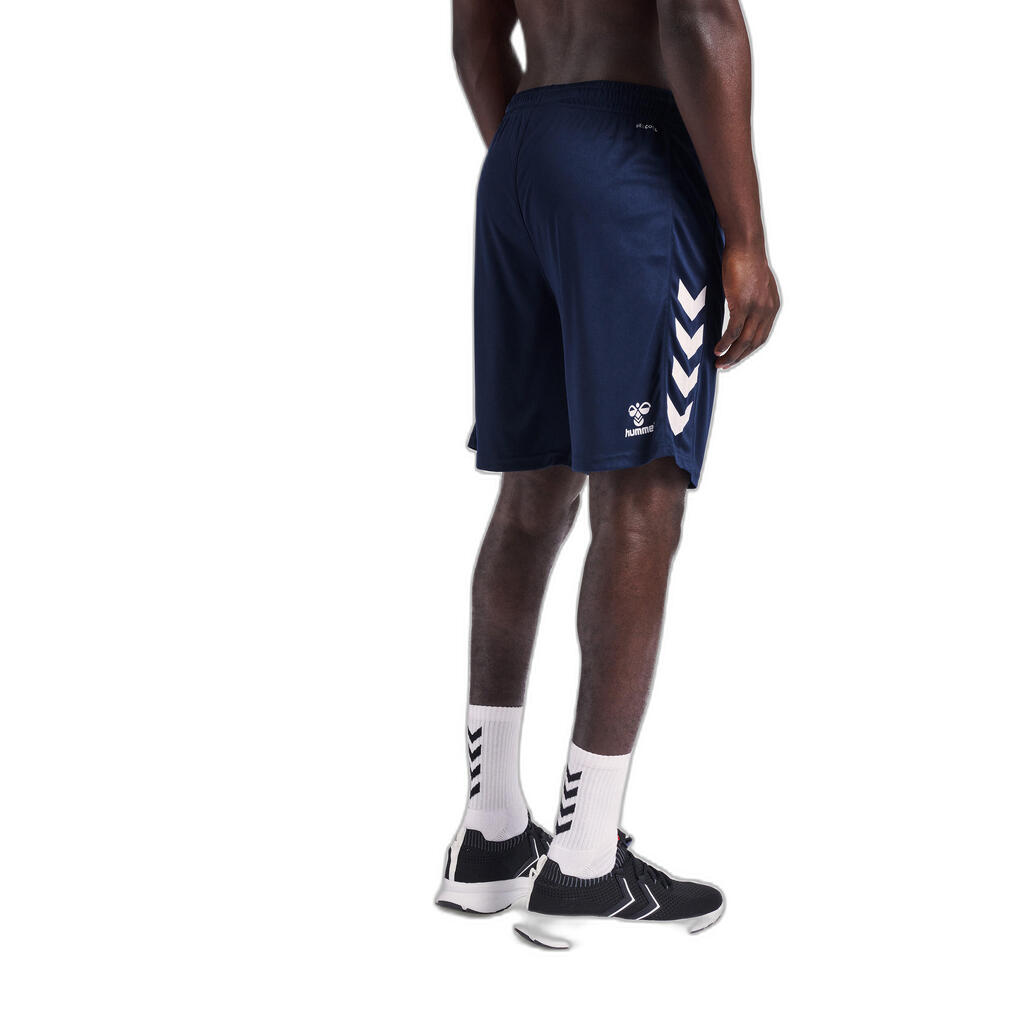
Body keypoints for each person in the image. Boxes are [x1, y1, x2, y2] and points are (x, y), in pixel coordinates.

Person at [436, 0, 780, 930]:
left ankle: (491, 834)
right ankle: (583, 862)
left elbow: (475, 36)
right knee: (641, 504)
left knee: (531, 499)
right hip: (630, 158)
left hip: (523, 153)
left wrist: (545, 169)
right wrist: (746, 239)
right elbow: (698, 14)